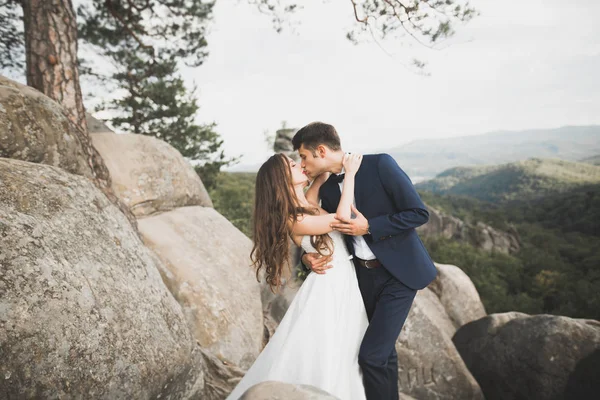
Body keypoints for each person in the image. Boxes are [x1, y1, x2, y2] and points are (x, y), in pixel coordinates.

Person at [294, 122, 437, 400]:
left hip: (398, 275)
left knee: (371, 356)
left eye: (303, 156)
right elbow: (318, 231)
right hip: (359, 279)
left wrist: (370, 226)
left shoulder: (380, 165)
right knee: (385, 354)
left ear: (321, 150)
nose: (302, 163)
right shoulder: (325, 187)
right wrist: (305, 257)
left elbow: (419, 213)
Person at [226, 152, 369, 400]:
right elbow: (342, 219)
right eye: (293, 164)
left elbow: (323, 172)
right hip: (329, 286)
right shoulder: (293, 217)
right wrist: (351, 175)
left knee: (346, 347)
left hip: (341, 282)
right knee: (327, 347)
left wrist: (321, 164)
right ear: (281, 178)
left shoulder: (306, 201)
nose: (299, 163)